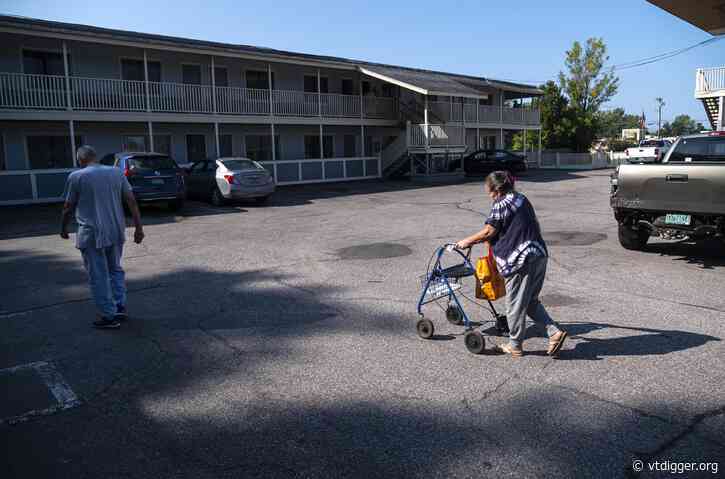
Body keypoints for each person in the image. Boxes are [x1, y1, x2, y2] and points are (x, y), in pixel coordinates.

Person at [456, 171, 567, 357]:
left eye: (488, 188)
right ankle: (554, 333)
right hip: (538, 254)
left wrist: (466, 241)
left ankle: (515, 345)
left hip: (519, 260)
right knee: (529, 300)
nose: (487, 192)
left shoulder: (501, 203)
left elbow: (488, 231)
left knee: (515, 304)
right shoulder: (521, 198)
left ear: (496, 189)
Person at [60, 146, 144, 329]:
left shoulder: (77, 176)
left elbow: (68, 206)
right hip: (115, 230)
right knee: (115, 270)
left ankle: (108, 316)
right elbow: (131, 200)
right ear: (95, 157)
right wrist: (138, 228)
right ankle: (119, 306)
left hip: (91, 233)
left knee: (98, 275)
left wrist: (63, 227)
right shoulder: (116, 173)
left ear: (80, 160)